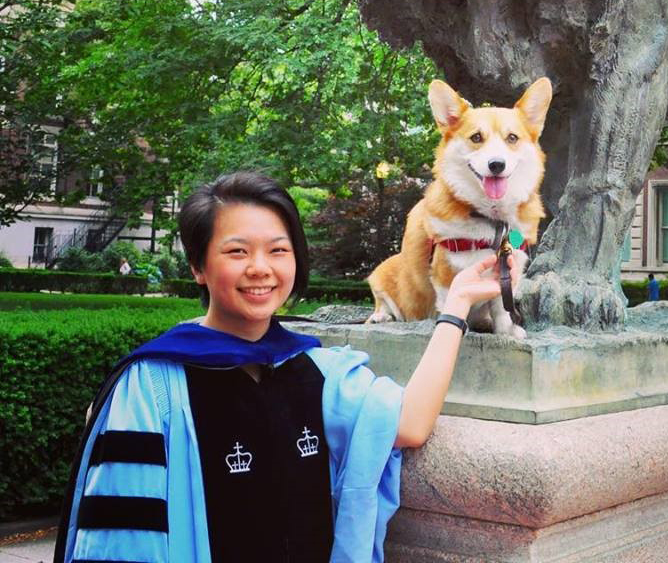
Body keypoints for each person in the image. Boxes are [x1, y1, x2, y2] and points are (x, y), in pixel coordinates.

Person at [55, 171, 518, 563]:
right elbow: (120, 539)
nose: (261, 268)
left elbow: (410, 425)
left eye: (278, 250)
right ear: (198, 266)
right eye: (237, 252)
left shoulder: (316, 371)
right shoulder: (151, 385)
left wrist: (455, 306)